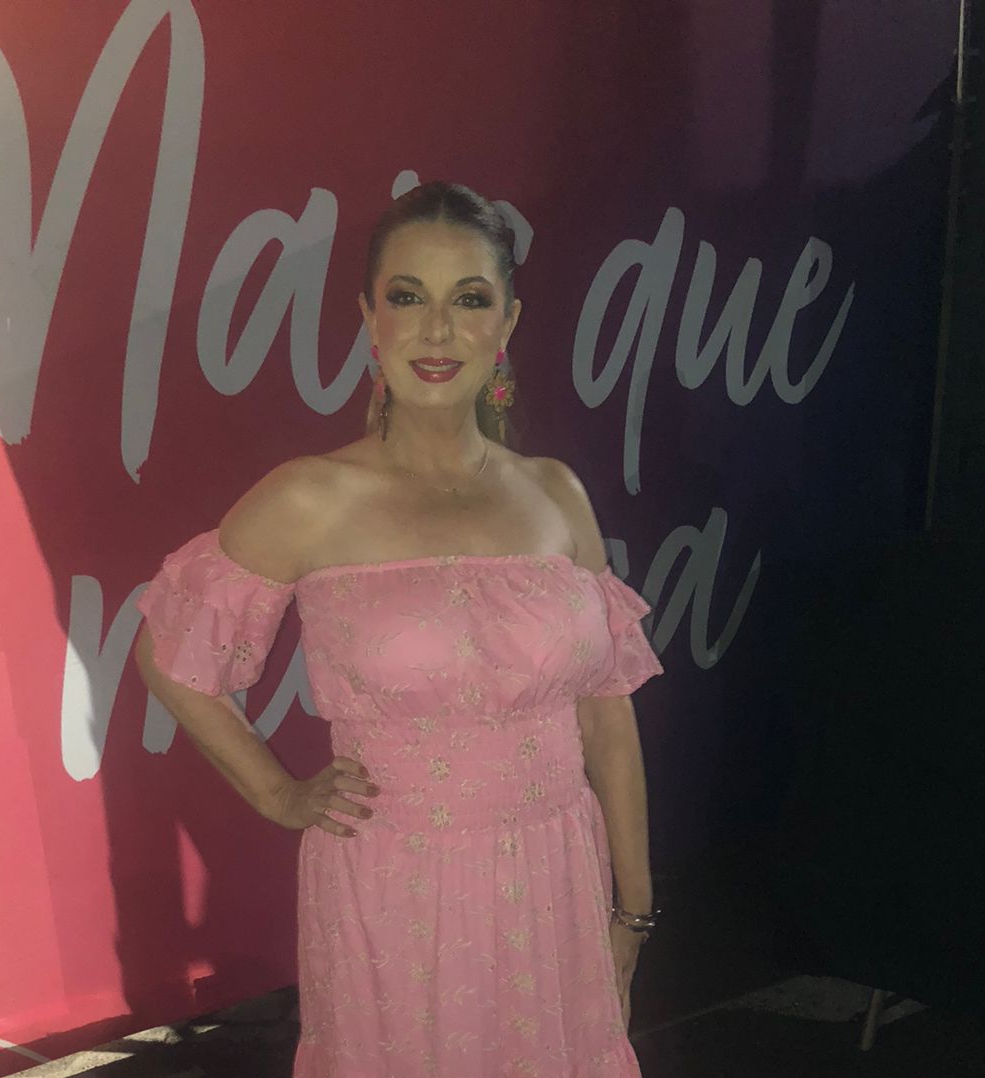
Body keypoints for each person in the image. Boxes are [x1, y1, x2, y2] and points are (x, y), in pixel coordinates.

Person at [134, 181, 664, 1077]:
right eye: (409, 297)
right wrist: (277, 794)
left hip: (555, 888)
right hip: (393, 892)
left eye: (471, 300)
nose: (438, 330)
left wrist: (633, 915)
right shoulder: (312, 498)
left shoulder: (554, 494)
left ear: (507, 323)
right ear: (369, 319)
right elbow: (168, 655)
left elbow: (607, 717)